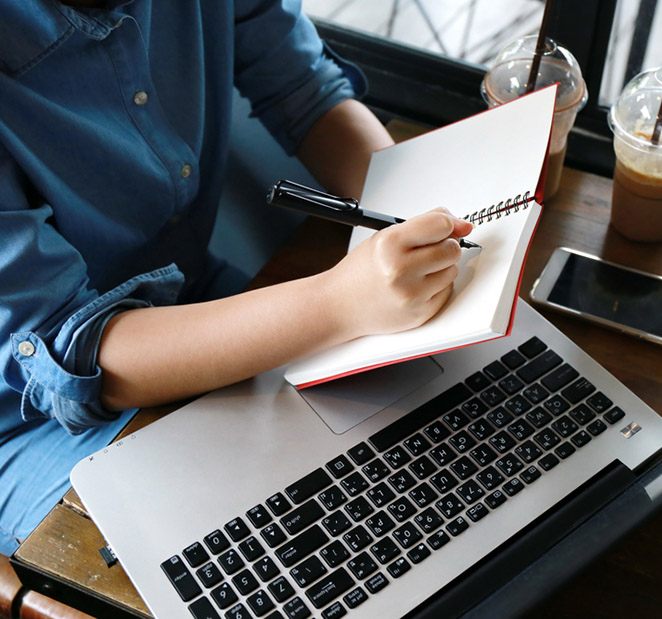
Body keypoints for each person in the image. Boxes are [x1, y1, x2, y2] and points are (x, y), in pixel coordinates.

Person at [0, 0, 474, 555]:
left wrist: (419, 214)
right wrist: (341, 302)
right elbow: (69, 356)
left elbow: (303, 85)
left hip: (193, 298)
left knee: (423, 435)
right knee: (277, 547)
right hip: (32, 420)